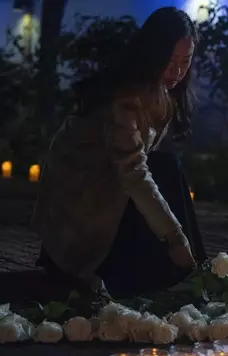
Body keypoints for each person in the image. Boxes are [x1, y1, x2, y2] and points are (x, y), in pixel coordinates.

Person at [31, 7, 206, 298]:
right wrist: (176, 240)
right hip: (83, 204)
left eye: (185, 61)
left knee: (165, 166)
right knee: (163, 169)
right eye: (170, 60)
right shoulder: (124, 98)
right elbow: (134, 174)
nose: (177, 71)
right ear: (152, 54)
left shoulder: (162, 92)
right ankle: (187, 267)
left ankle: (193, 269)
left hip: (113, 188)